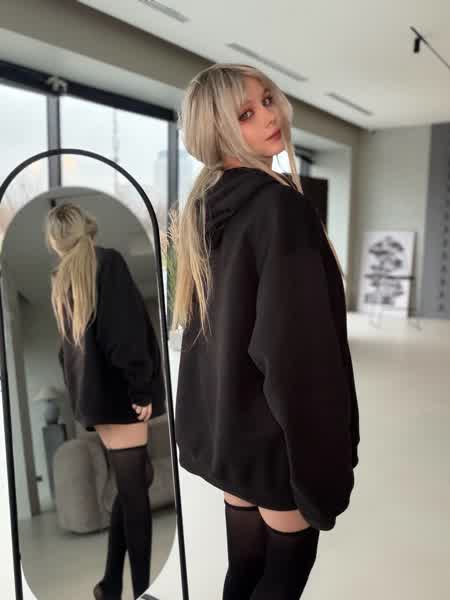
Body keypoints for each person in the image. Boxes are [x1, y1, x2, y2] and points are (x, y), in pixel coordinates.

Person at [172, 64, 360, 599]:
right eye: (245, 113)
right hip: (275, 440)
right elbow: (297, 352)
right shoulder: (280, 208)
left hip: (232, 432)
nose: (269, 116)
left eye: (268, 100)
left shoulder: (206, 208)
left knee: (245, 570)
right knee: (281, 580)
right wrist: (319, 469)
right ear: (218, 129)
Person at [46, 203, 165, 600]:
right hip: (120, 395)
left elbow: (65, 353)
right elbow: (125, 333)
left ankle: (110, 584)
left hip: (98, 400)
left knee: (137, 480)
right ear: (85, 227)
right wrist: (140, 388)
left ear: (55, 241)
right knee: (136, 496)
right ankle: (140, 591)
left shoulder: (62, 279)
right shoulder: (106, 262)